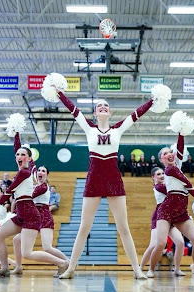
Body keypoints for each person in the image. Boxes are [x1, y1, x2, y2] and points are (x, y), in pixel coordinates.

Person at [54, 88, 155, 280]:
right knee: (84, 226)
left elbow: (137, 114)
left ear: (109, 112)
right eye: (99, 105)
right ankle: (71, 269)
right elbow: (72, 109)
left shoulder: (118, 129)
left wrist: (152, 101)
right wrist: (59, 94)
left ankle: (136, 270)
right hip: (93, 178)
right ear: (94, 113)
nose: (102, 107)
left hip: (113, 178)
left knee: (123, 227)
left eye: (106, 105)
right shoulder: (88, 128)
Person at [0, 132, 69, 277]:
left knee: (28, 252)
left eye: (23, 155)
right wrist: (16, 132)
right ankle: (4, 268)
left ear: (28, 158)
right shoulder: (24, 171)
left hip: (31, 215)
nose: (19, 157)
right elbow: (17, 150)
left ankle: (63, 263)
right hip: (21, 213)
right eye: (17, 155)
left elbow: (10, 190)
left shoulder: (25, 173)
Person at [148, 132, 194, 278]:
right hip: (166, 211)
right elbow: (189, 185)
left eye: (170, 151)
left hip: (181, 212)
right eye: (165, 153)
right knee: (160, 243)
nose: (169, 154)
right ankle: (151, 270)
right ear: (162, 159)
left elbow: (180, 148)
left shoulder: (177, 165)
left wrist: (181, 131)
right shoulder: (169, 170)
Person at [12, 165, 70, 275]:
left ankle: (69, 263)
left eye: (43, 171)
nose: (40, 172)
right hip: (34, 218)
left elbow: (28, 198)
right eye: (39, 170)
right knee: (16, 240)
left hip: (44, 218)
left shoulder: (43, 187)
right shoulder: (35, 186)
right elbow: (32, 165)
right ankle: (18, 267)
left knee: (47, 247)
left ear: (47, 175)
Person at [140, 167, 186, 277]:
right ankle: (140, 268)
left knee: (180, 242)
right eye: (158, 174)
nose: (162, 175)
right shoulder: (159, 187)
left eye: (163, 173)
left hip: (171, 217)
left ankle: (177, 269)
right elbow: (174, 192)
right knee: (154, 245)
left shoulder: (167, 184)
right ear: (153, 177)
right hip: (159, 217)